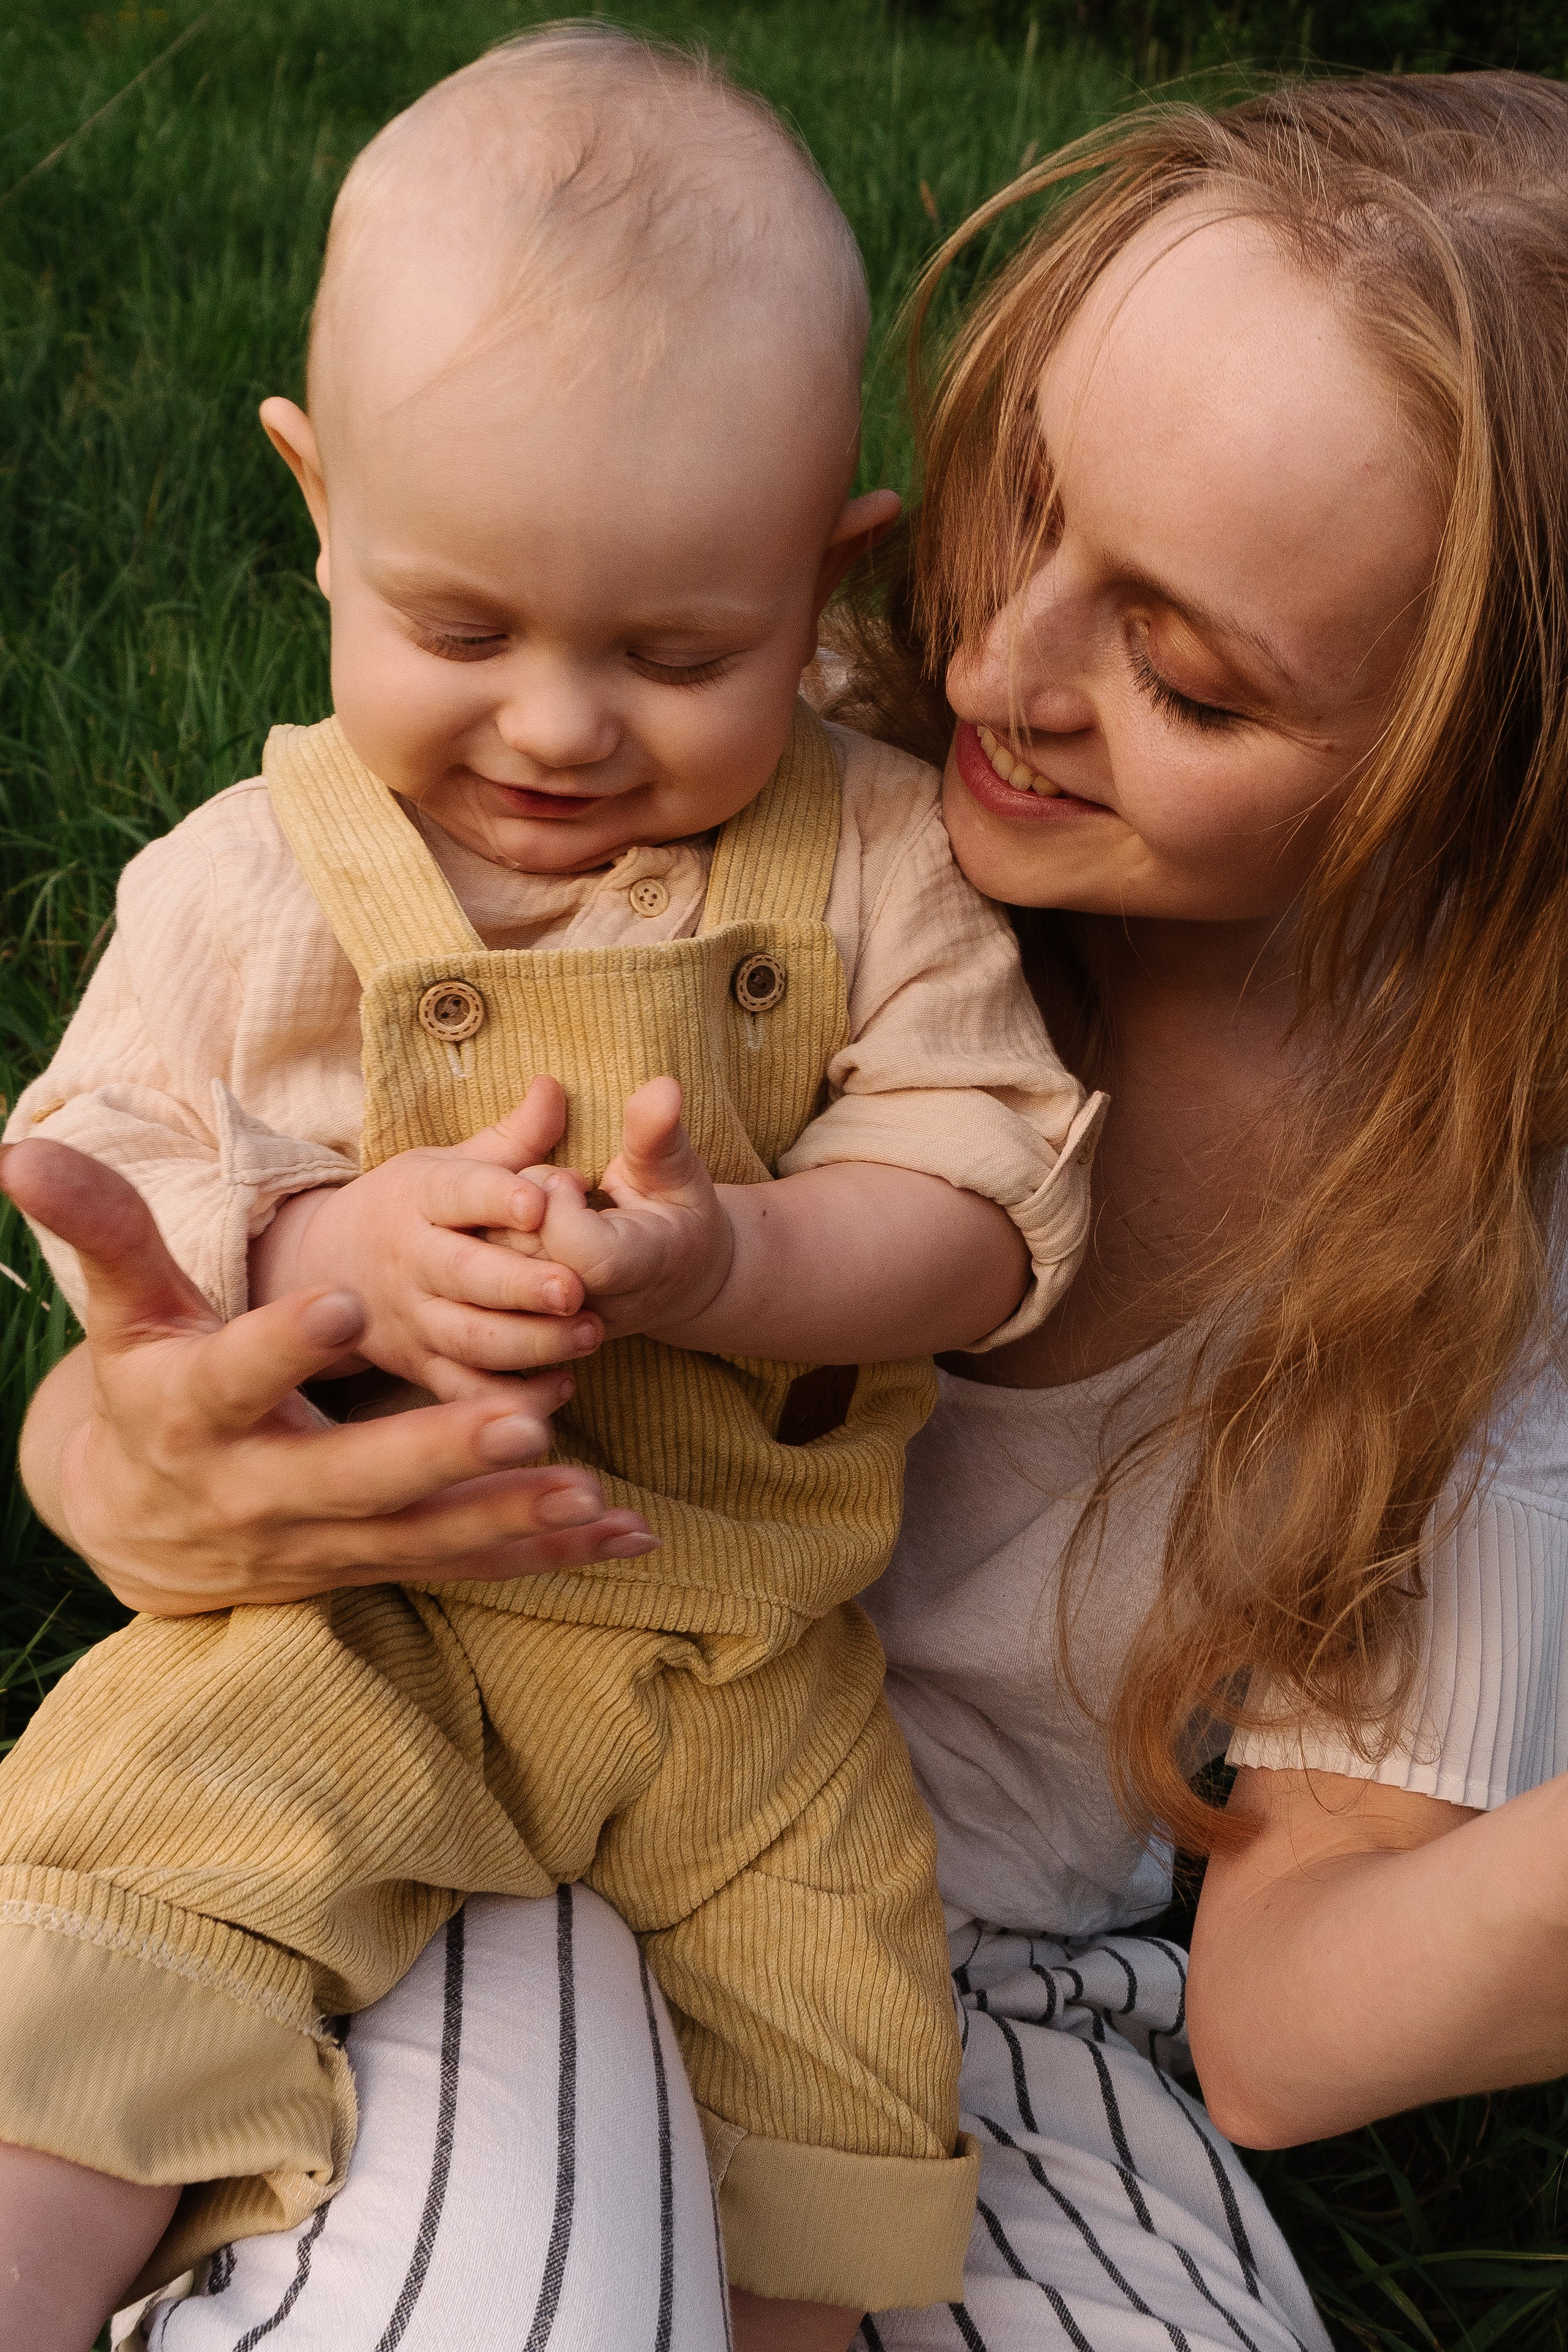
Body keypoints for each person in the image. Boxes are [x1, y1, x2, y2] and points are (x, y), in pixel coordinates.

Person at [10, 55, 1568, 2352]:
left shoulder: (1452, 1244)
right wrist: (155, 1418)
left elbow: (1283, 2014)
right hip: (428, 1715)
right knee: (376, 2198)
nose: (999, 672)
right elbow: (157, 1316)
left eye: (1182, 669)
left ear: (1478, 784)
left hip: (951, 1930)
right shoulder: (720, 736)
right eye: (1010, 508)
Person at [0, 26, 1111, 2352]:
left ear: (828, 575)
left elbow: (991, 1196)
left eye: (684, 652)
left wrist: (735, 1255)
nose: (561, 727)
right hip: (347, 1613)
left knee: (845, 2076)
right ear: (317, 510)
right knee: (114, 1895)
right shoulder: (252, 882)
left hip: (744, 1672)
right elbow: (118, 1167)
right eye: (463, 629)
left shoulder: (880, 859)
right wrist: (323, 1252)